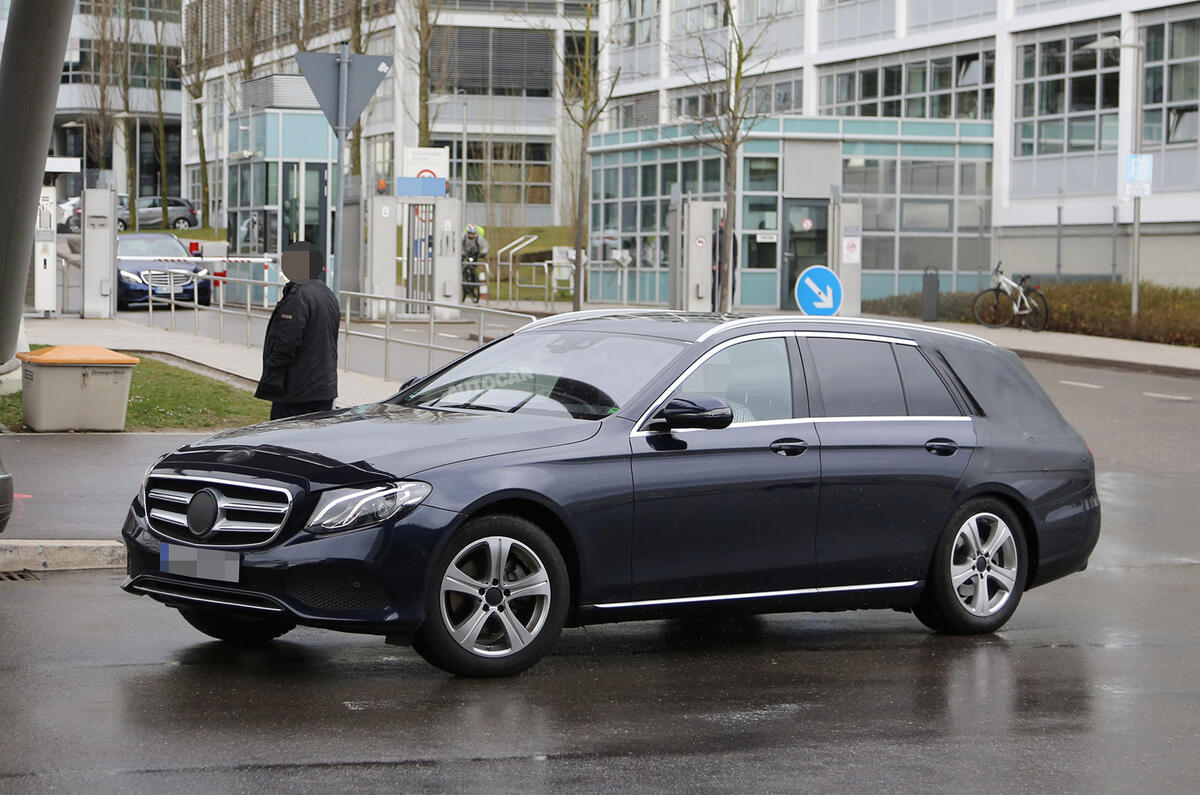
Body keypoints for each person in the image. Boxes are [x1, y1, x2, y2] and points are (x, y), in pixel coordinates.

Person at [255, 241, 341, 420]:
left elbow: (286, 341)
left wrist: (272, 370)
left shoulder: (298, 295)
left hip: (297, 389)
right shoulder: (327, 293)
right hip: (323, 387)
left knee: (283, 435)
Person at [711, 216, 737, 312]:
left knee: (732, 285)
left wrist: (735, 265)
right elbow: (712, 250)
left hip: (730, 265)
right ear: (721, 223)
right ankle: (714, 306)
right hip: (718, 265)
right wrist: (713, 264)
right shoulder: (716, 235)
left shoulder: (732, 236)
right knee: (716, 286)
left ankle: (730, 306)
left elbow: (735, 252)